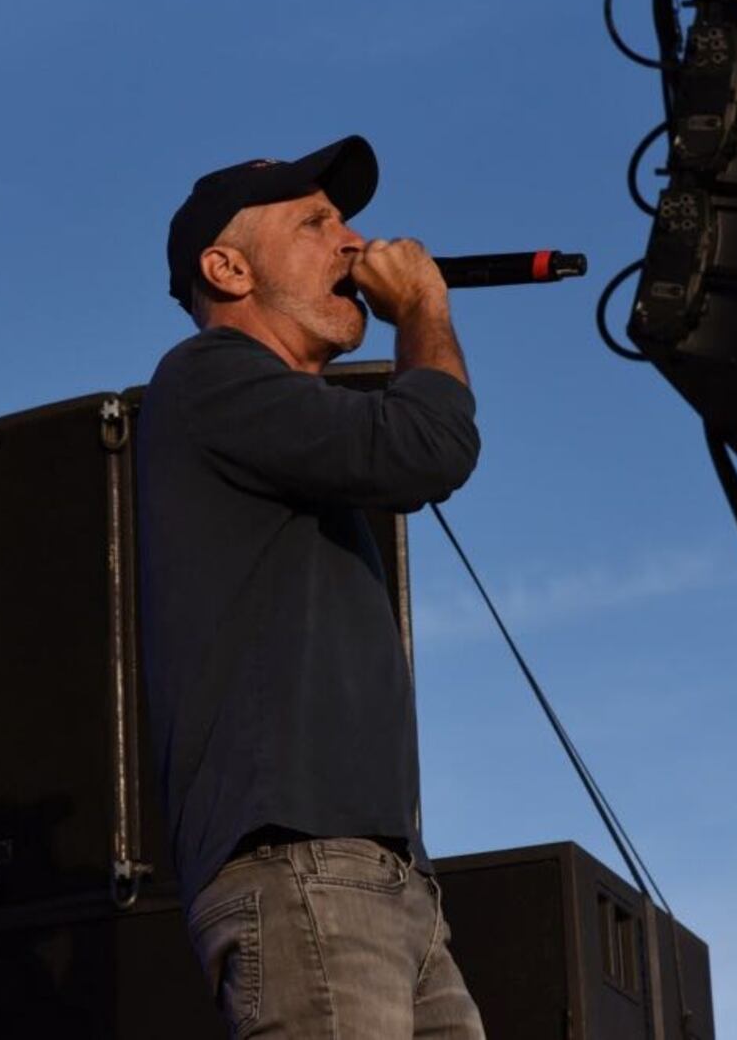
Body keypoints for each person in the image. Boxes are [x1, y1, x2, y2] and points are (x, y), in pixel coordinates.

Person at [136, 134, 486, 1038]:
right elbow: (426, 447)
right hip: (303, 868)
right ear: (228, 267)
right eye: (316, 222)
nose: (352, 243)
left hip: (381, 880)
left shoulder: (288, 436)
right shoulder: (207, 378)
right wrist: (422, 313)